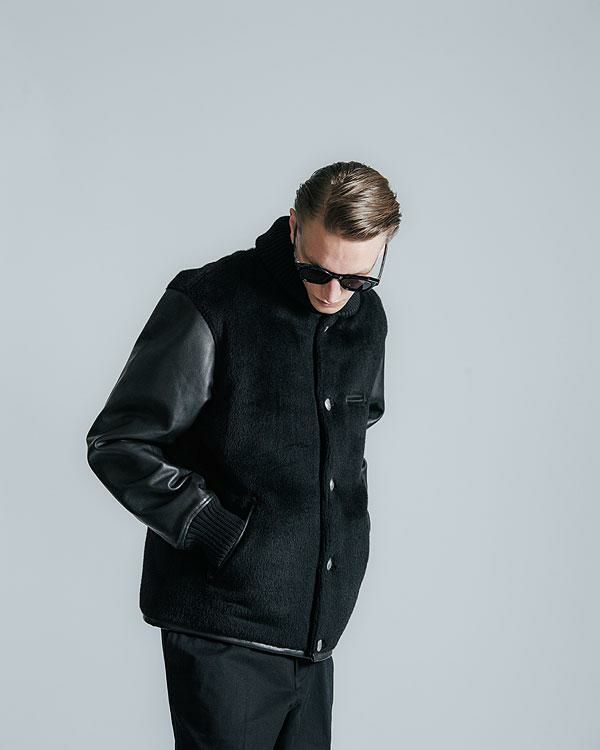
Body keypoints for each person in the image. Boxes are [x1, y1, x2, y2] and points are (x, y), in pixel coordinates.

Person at [86, 160, 402, 748]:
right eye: (316, 270)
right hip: (221, 629)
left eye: (356, 280)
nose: (334, 294)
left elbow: (353, 433)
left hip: (314, 632)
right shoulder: (212, 300)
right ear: (293, 227)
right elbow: (119, 441)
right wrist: (215, 530)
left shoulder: (367, 320)